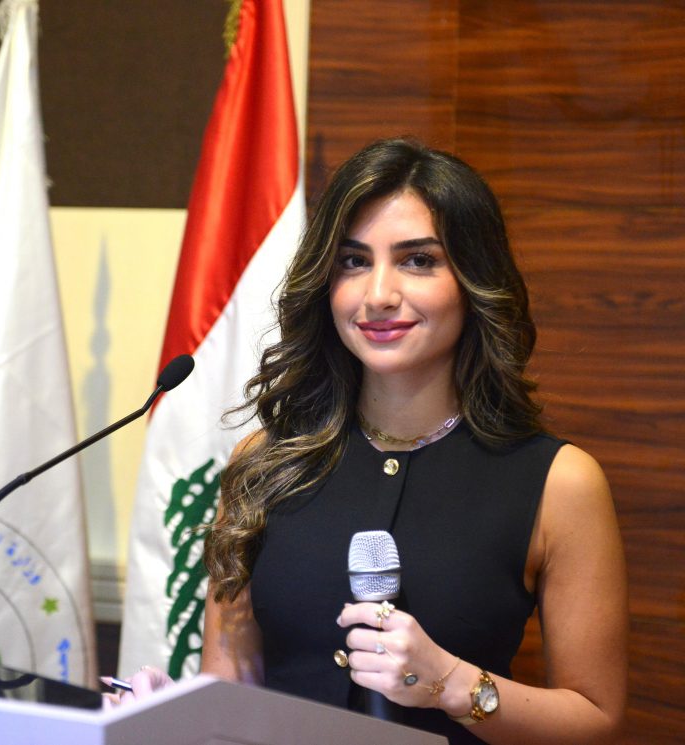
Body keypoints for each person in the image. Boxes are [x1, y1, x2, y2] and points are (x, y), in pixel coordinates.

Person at [116, 138, 627, 744]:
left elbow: (596, 720)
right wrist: (174, 717)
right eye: (354, 262)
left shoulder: (559, 482)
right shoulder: (264, 463)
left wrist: (451, 684)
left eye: (418, 260)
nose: (378, 295)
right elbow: (232, 688)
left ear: (474, 280)